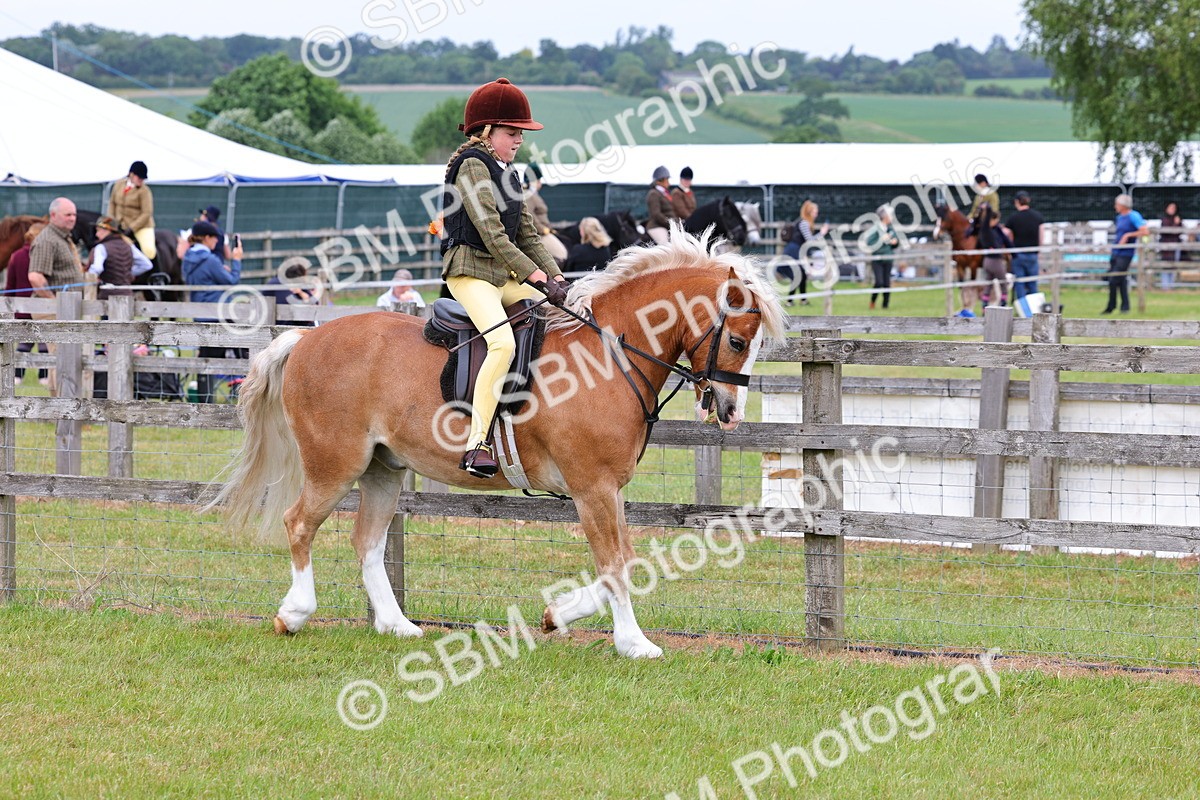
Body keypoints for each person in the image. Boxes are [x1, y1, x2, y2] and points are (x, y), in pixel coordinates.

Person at [439, 77, 566, 478]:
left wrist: (558, 278)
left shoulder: (508, 173)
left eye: (521, 134)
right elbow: (493, 234)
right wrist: (535, 274)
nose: (519, 140)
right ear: (487, 131)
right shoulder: (472, 167)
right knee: (502, 343)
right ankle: (477, 443)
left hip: (499, 273)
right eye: (513, 133)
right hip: (469, 271)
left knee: (555, 314)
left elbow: (528, 232)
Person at [183, 220, 244, 402]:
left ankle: (205, 398)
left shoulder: (187, 258)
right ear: (207, 238)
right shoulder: (210, 259)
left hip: (199, 313)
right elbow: (232, 281)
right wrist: (237, 260)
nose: (217, 242)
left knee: (207, 357)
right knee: (242, 350)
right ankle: (240, 393)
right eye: (215, 238)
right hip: (219, 313)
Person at [4, 223, 49, 385]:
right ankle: (44, 376)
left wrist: (9, 305)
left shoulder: (16, 256)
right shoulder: (45, 255)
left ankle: (17, 376)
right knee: (45, 342)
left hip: (20, 306)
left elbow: (10, 285)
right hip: (42, 304)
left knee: (24, 342)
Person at [88, 216, 154, 300]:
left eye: (98, 230)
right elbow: (147, 265)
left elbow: (97, 268)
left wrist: (88, 280)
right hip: (127, 296)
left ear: (106, 230)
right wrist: (127, 273)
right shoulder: (129, 245)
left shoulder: (101, 247)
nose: (96, 234)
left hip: (107, 297)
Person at [1103, 194, 1147, 314]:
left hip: (1126, 253)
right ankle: (1125, 307)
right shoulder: (1119, 217)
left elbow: (1145, 231)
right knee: (1121, 280)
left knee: (1113, 279)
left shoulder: (1134, 216)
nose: (1115, 206)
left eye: (1117, 204)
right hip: (1116, 251)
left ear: (1123, 205)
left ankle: (1111, 306)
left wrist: (1128, 235)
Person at [782, 200, 828, 305]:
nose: (816, 215)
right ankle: (791, 301)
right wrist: (822, 233)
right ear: (809, 212)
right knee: (798, 275)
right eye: (815, 212)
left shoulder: (804, 222)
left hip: (797, 250)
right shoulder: (804, 223)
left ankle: (802, 300)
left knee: (801, 275)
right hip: (793, 250)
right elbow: (810, 240)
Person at [108, 160, 156, 260]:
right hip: (119, 225)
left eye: (143, 179)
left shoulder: (144, 191)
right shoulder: (118, 185)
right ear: (131, 174)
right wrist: (112, 221)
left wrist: (131, 228)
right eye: (139, 177)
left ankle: (155, 273)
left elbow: (146, 213)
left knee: (149, 250)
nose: (141, 181)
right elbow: (112, 203)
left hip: (141, 226)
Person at [1005, 191, 1045, 301]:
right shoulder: (1038, 216)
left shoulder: (1013, 218)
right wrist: (1039, 250)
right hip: (1033, 254)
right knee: (1033, 283)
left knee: (1020, 283)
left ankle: (1023, 309)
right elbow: (1041, 234)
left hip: (1018, 255)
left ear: (1017, 202)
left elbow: (1007, 235)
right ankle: (1034, 310)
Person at [976, 203, 1013, 307]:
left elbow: (1006, 240)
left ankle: (984, 305)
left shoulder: (994, 230)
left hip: (987, 261)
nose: (997, 223)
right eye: (995, 220)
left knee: (988, 284)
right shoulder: (986, 230)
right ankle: (1003, 303)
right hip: (995, 261)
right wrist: (988, 208)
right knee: (1003, 282)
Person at [864, 205, 899, 310]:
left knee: (887, 283)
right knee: (879, 282)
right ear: (885, 216)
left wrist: (894, 242)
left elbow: (896, 243)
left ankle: (885, 306)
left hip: (888, 259)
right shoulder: (876, 229)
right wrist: (880, 240)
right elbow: (869, 243)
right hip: (878, 259)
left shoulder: (890, 229)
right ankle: (872, 302)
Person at [645, 166, 676, 245]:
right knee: (665, 245)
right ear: (660, 181)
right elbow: (656, 214)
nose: (669, 182)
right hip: (657, 226)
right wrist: (671, 223)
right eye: (667, 180)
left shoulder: (665, 194)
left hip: (667, 226)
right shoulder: (654, 194)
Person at [1158, 201, 1184, 288]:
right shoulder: (1164, 220)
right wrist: (1176, 224)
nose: (1172, 210)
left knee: (1174, 266)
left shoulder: (1178, 219)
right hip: (1166, 247)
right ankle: (1165, 286)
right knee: (1165, 266)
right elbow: (1167, 232)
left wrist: (1178, 223)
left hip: (1175, 246)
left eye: (1174, 208)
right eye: (1171, 208)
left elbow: (1179, 232)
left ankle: (1171, 286)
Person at [522, 164, 553, 235]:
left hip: (545, 230)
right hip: (538, 234)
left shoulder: (533, 194)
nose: (540, 183)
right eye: (538, 180)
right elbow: (529, 214)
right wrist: (542, 229)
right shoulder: (528, 195)